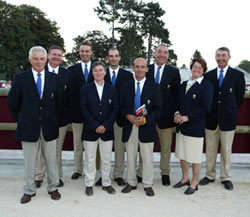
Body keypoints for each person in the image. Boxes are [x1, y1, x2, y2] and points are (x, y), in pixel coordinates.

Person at [7, 46, 64, 203]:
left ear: (46, 60)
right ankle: (29, 190)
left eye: (41, 58)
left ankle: (53, 187)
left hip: (49, 126)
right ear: (30, 60)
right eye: (35, 58)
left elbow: (60, 102)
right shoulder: (20, 78)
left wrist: (52, 118)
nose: (39, 62)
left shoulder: (55, 79)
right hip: (28, 126)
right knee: (30, 161)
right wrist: (22, 119)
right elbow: (12, 102)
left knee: (52, 160)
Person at [199, 47, 245, 190]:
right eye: (218, 56)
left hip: (228, 119)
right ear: (215, 57)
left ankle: (225, 177)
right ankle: (210, 175)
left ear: (229, 57)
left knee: (226, 149)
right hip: (211, 119)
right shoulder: (209, 75)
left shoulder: (237, 75)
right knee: (210, 148)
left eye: (223, 55)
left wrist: (229, 110)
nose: (221, 58)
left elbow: (239, 98)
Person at [138, 44, 180, 186]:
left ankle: (165, 173)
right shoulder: (146, 70)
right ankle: (141, 172)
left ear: (168, 55)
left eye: (165, 52)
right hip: (148, 117)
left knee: (166, 147)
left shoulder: (174, 72)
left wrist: (175, 112)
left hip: (166, 117)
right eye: (159, 52)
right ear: (155, 54)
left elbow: (176, 96)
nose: (162, 55)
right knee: (145, 146)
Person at [120, 58, 161, 197]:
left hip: (146, 127)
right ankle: (131, 182)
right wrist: (127, 116)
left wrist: (145, 120)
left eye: (142, 67)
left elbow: (158, 109)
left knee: (147, 157)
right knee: (130, 156)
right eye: (137, 66)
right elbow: (121, 106)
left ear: (147, 69)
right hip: (130, 126)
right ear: (133, 68)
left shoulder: (154, 87)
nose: (139, 69)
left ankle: (148, 184)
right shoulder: (125, 86)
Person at [173, 58, 213, 195]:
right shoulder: (184, 84)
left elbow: (206, 108)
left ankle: (194, 182)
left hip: (195, 127)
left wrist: (188, 117)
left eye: (200, 68)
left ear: (203, 71)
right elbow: (177, 103)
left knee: (195, 157)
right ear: (191, 67)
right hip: (181, 127)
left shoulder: (206, 86)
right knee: (182, 154)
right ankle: (185, 178)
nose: (196, 69)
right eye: (195, 67)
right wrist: (177, 114)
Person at [35, 46, 71, 188]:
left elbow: (67, 98)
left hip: (60, 119)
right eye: (54, 54)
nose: (56, 57)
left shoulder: (67, 74)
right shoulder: (39, 72)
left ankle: (57, 176)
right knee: (41, 150)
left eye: (59, 55)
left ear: (62, 58)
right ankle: (39, 175)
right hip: (41, 119)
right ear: (48, 56)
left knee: (56, 150)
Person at [80, 61, 118, 196]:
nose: (98, 73)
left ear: (105, 72)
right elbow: (83, 109)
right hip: (90, 130)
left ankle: (106, 183)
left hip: (107, 130)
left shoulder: (111, 88)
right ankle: (89, 183)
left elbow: (115, 109)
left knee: (106, 158)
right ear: (92, 73)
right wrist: (95, 125)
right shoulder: (86, 88)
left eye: (101, 70)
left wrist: (105, 126)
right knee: (89, 158)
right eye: (95, 70)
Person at [105, 47, 133, 186]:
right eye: (111, 56)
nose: (113, 58)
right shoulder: (100, 73)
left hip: (120, 118)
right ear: (107, 58)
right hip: (104, 117)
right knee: (103, 149)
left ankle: (118, 174)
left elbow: (128, 98)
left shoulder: (127, 76)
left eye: (116, 56)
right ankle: (103, 175)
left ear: (119, 57)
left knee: (119, 148)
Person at [68, 41, 94, 180]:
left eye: (87, 51)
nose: (84, 53)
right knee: (77, 144)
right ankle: (78, 169)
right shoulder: (71, 70)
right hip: (77, 114)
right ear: (79, 53)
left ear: (91, 53)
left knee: (93, 145)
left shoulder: (98, 69)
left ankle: (93, 169)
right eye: (82, 51)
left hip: (94, 115)